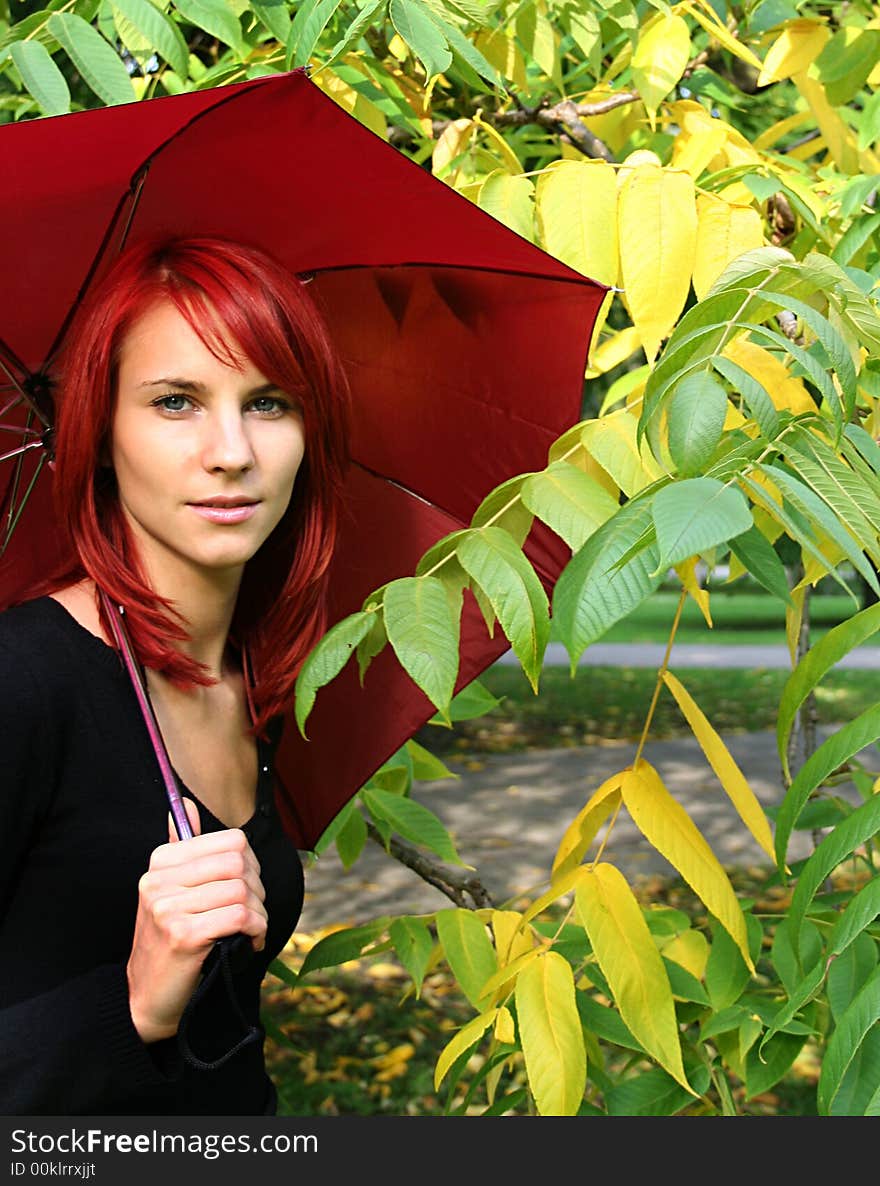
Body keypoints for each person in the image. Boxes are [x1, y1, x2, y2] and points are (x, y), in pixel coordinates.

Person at [0, 235, 351, 1115]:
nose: (232, 451)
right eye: (175, 402)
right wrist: (133, 1004)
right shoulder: (24, 686)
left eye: (268, 403)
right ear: (103, 436)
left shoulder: (251, 680)